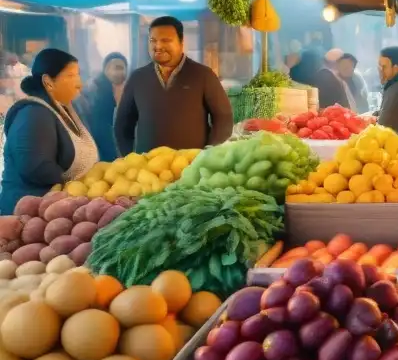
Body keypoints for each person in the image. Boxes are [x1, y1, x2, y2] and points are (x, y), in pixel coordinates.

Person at [114, 16, 233, 154]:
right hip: (148, 169)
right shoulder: (138, 78)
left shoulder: (203, 75)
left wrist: (209, 154)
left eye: (165, 40)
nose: (158, 46)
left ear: (182, 43)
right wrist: (128, 158)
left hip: (192, 168)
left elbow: (223, 118)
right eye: (153, 40)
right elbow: (122, 125)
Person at [0, 49, 98, 213]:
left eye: (78, 75)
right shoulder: (34, 114)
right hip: (25, 215)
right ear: (48, 82)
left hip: (55, 210)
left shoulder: (64, 109)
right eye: (71, 76)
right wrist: (80, 189)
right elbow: (36, 168)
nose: (79, 83)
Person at [76, 52, 128, 162]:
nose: (119, 72)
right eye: (115, 68)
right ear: (105, 70)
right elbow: (102, 131)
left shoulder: (122, 89)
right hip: (101, 154)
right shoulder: (97, 92)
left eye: (122, 68)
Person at [326, 49, 369, 113]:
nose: (347, 69)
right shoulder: (331, 80)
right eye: (344, 65)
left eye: (350, 66)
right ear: (337, 65)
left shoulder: (357, 78)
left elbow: (363, 101)